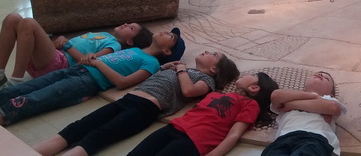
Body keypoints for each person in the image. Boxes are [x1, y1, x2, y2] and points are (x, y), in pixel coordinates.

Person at [33, 50, 240, 156]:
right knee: (78, 127)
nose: (207, 52)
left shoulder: (206, 80)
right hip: (130, 98)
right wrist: (164, 68)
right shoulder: (181, 69)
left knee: (99, 136)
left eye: (213, 55)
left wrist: (180, 69)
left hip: (145, 108)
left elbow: (188, 91)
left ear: (214, 69)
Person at [0, 28, 185, 126]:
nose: (165, 31)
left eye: (171, 36)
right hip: (77, 70)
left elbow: (122, 83)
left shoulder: (151, 63)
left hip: (86, 81)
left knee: (34, 99)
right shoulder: (135, 49)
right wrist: (94, 57)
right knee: (24, 88)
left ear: (167, 51)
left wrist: (98, 63)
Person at [0, 15, 151, 98]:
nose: (126, 24)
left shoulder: (114, 45)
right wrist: (57, 42)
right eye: (128, 23)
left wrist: (66, 44)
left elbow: (88, 62)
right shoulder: (103, 34)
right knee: (13, 19)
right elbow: (57, 46)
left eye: (131, 28)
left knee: (28, 22)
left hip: (60, 65)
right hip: (51, 57)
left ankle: (15, 82)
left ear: (130, 41)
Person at [128, 72, 279, 156]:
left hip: (194, 142)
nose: (247, 74)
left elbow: (234, 134)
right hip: (173, 128)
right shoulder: (216, 94)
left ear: (254, 87)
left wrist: (213, 155)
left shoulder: (250, 104)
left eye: (253, 75)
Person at [261, 71, 347, 156]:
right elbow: (275, 95)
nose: (320, 75)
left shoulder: (328, 99)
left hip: (314, 138)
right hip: (282, 139)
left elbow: (334, 108)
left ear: (331, 94)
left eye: (326, 78)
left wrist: (290, 105)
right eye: (315, 74)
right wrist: (314, 96)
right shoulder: (292, 96)